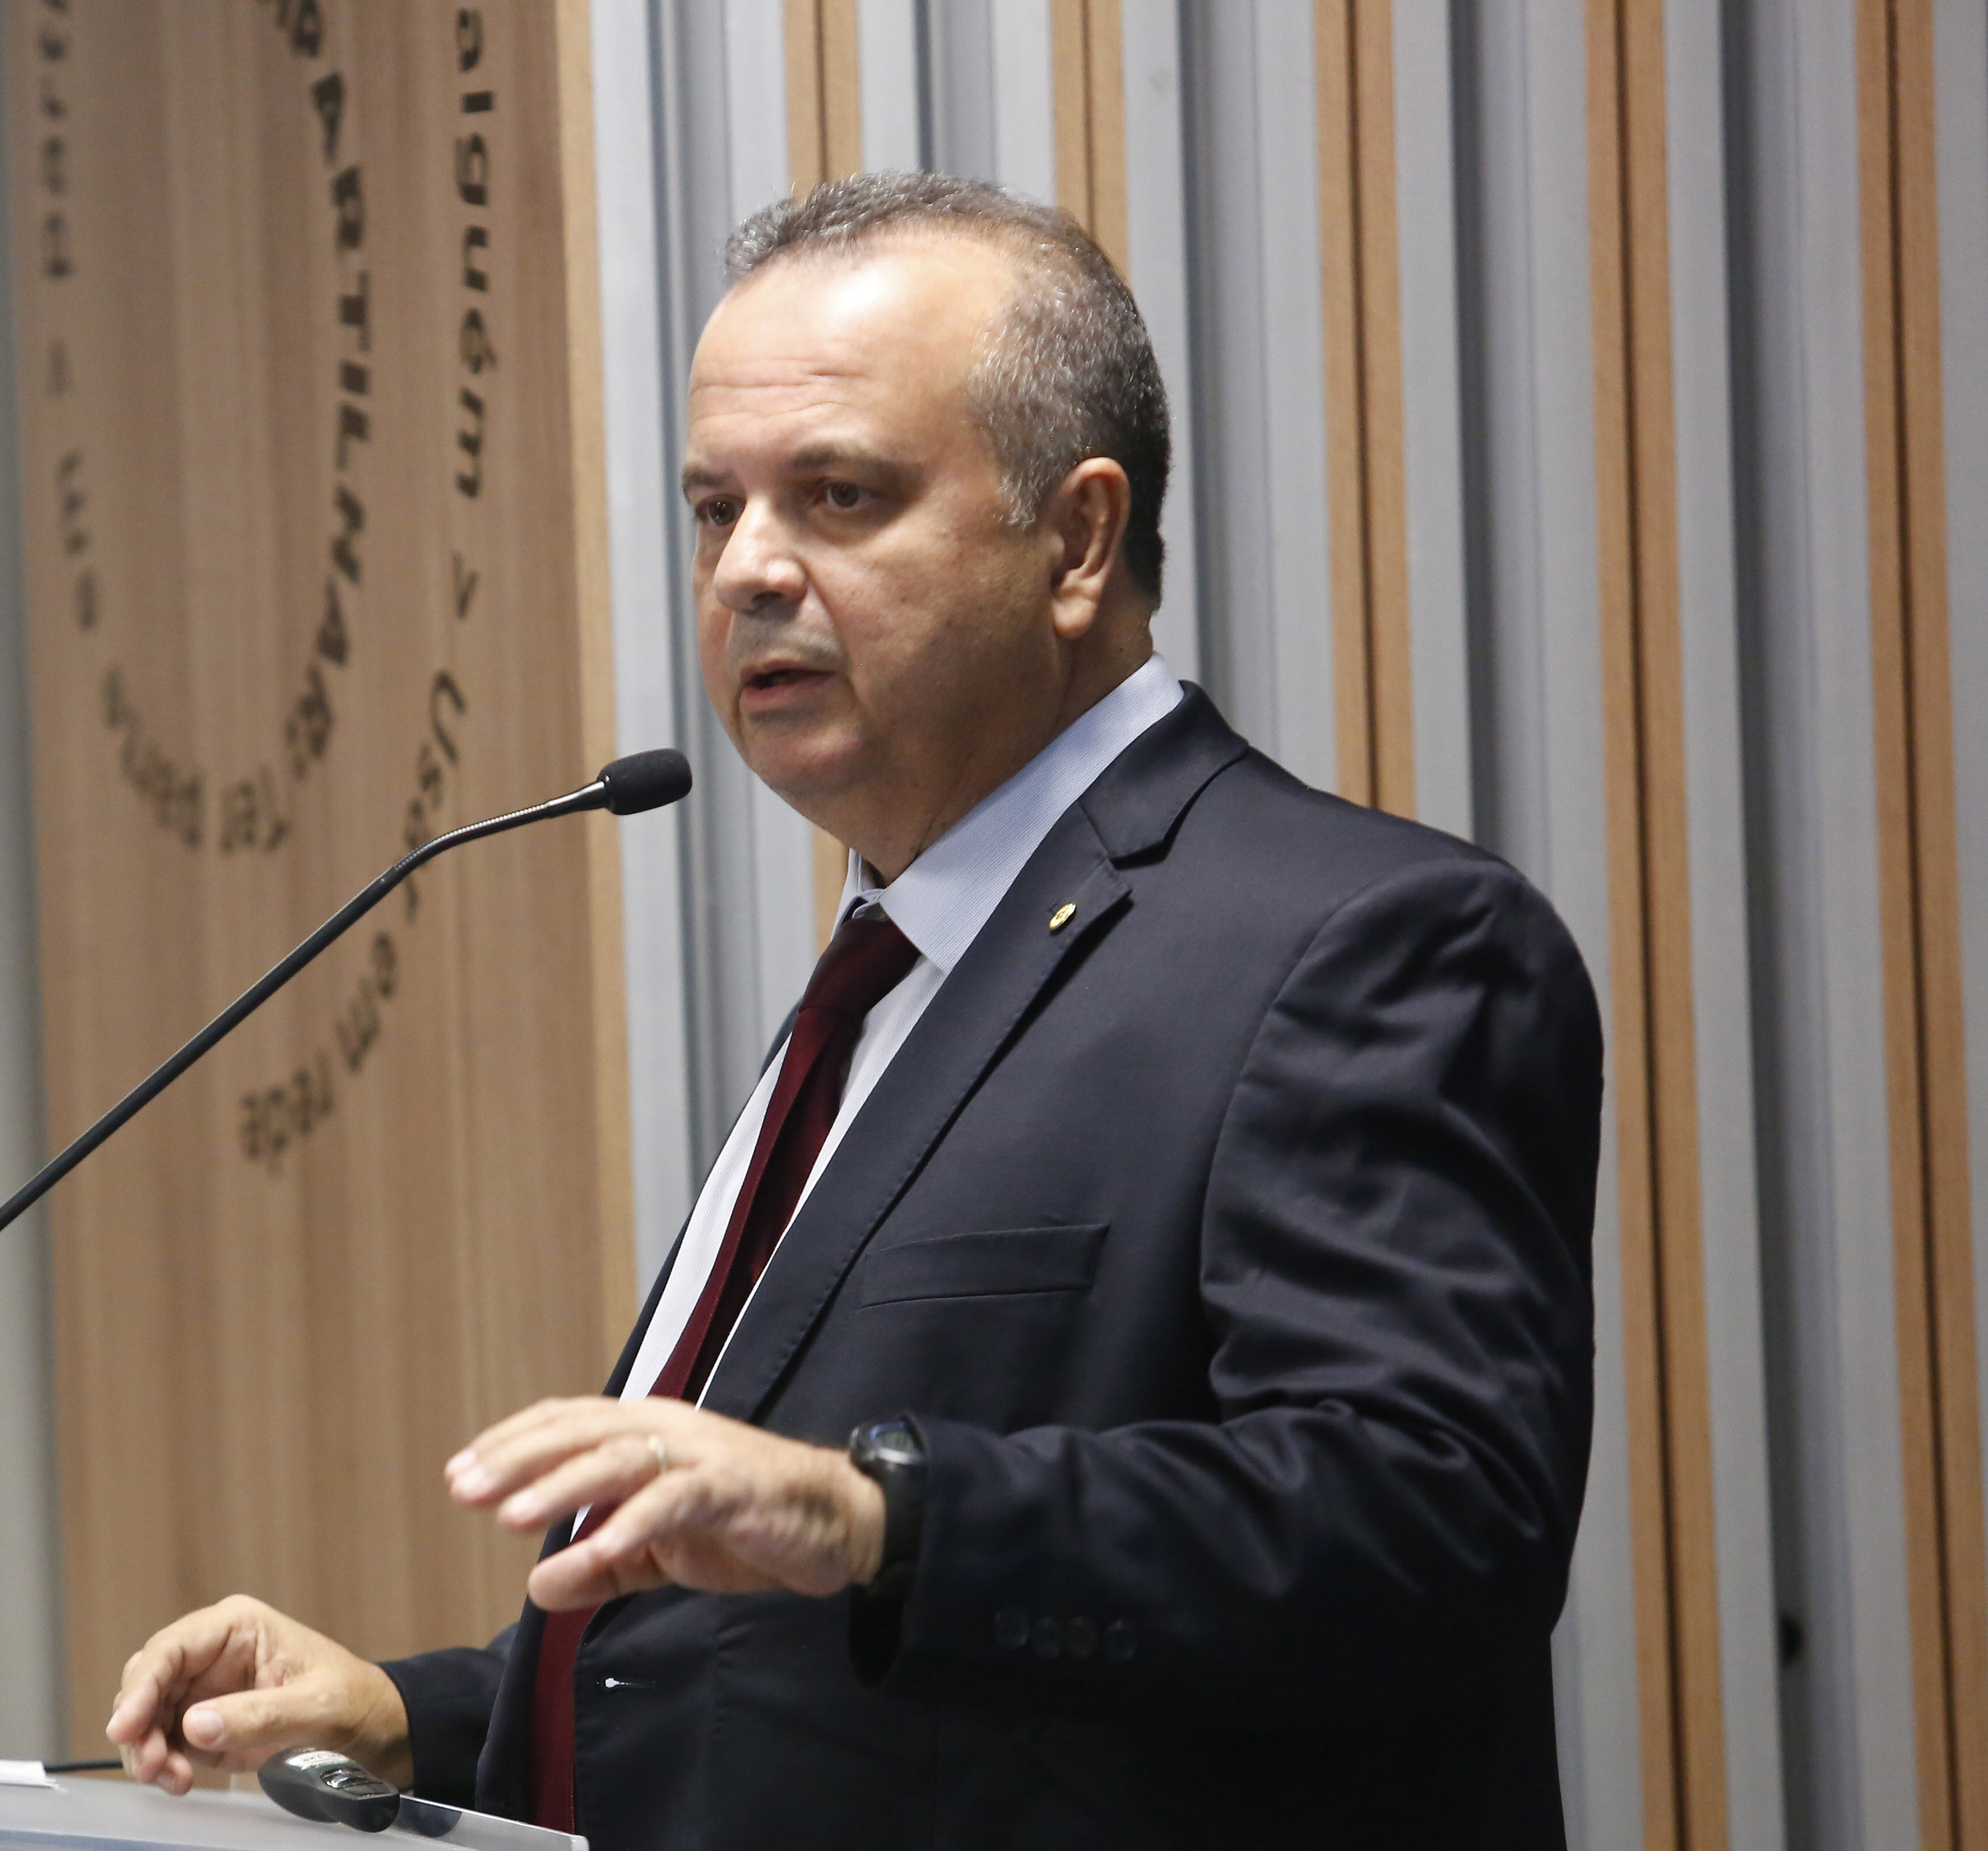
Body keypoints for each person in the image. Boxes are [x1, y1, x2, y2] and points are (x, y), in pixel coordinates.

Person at [102, 172, 1601, 1848]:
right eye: (713, 508)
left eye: (839, 495)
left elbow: (1432, 1527)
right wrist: (412, 1718)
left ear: (1077, 542)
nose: (749, 569)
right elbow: (788, 1660)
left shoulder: (1359, 942)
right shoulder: (892, 973)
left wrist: (877, 1510)